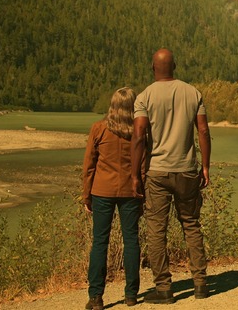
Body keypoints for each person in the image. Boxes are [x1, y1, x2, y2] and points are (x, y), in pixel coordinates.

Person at [130, 48, 212, 304]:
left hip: (157, 172)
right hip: (187, 169)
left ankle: (164, 288)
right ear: (174, 66)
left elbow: (139, 137)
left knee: (156, 231)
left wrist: (135, 175)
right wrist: (205, 166)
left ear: (153, 68)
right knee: (191, 225)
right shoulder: (193, 92)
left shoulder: (144, 97)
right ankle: (200, 284)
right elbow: (203, 131)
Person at [82, 87, 141, 310]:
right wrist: (141, 194)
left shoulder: (99, 128)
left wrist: (86, 194)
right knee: (131, 240)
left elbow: (89, 165)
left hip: (102, 191)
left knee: (99, 242)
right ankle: (131, 295)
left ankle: (96, 297)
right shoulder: (139, 130)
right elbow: (143, 164)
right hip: (130, 191)